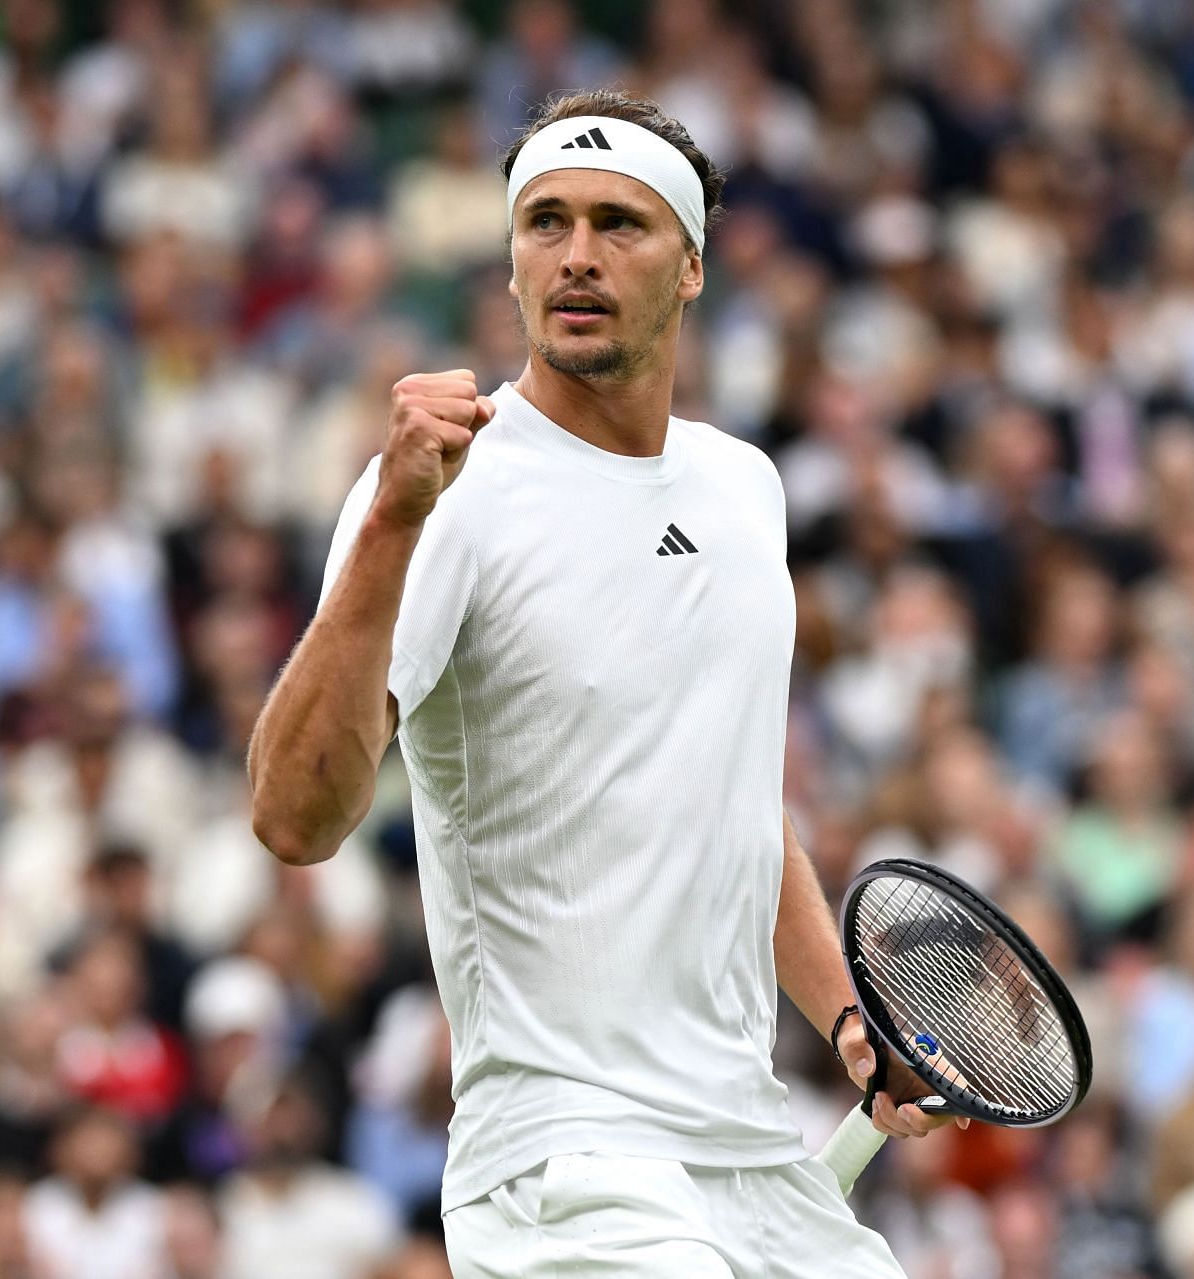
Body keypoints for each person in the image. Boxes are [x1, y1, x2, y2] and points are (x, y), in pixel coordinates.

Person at [247, 89, 959, 1277]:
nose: (575, 257)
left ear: (688, 268)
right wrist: (389, 522)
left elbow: (735, 807)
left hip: (751, 1152)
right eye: (546, 223)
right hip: (562, 1163)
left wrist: (847, 1017)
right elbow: (291, 818)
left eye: (618, 225)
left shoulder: (744, 490)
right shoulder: (440, 493)